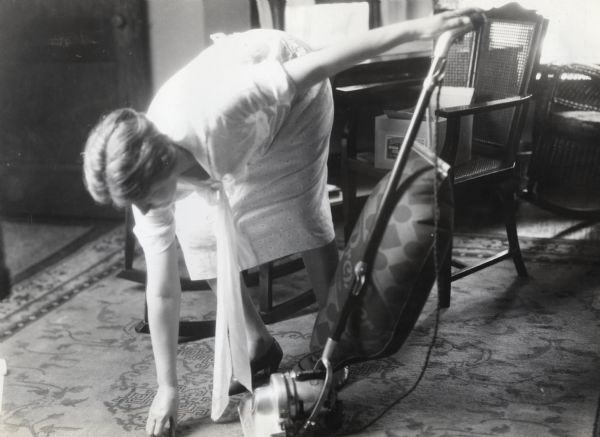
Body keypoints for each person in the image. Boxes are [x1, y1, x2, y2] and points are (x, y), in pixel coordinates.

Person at [82, 7, 481, 436]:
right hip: (222, 135)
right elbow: (162, 292)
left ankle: (336, 341)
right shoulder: (150, 182)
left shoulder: (225, 108)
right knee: (200, 233)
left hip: (294, 105)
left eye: (142, 199)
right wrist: (168, 389)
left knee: (304, 212)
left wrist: (423, 27)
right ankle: (257, 342)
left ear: (162, 167)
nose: (140, 209)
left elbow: (329, 60)